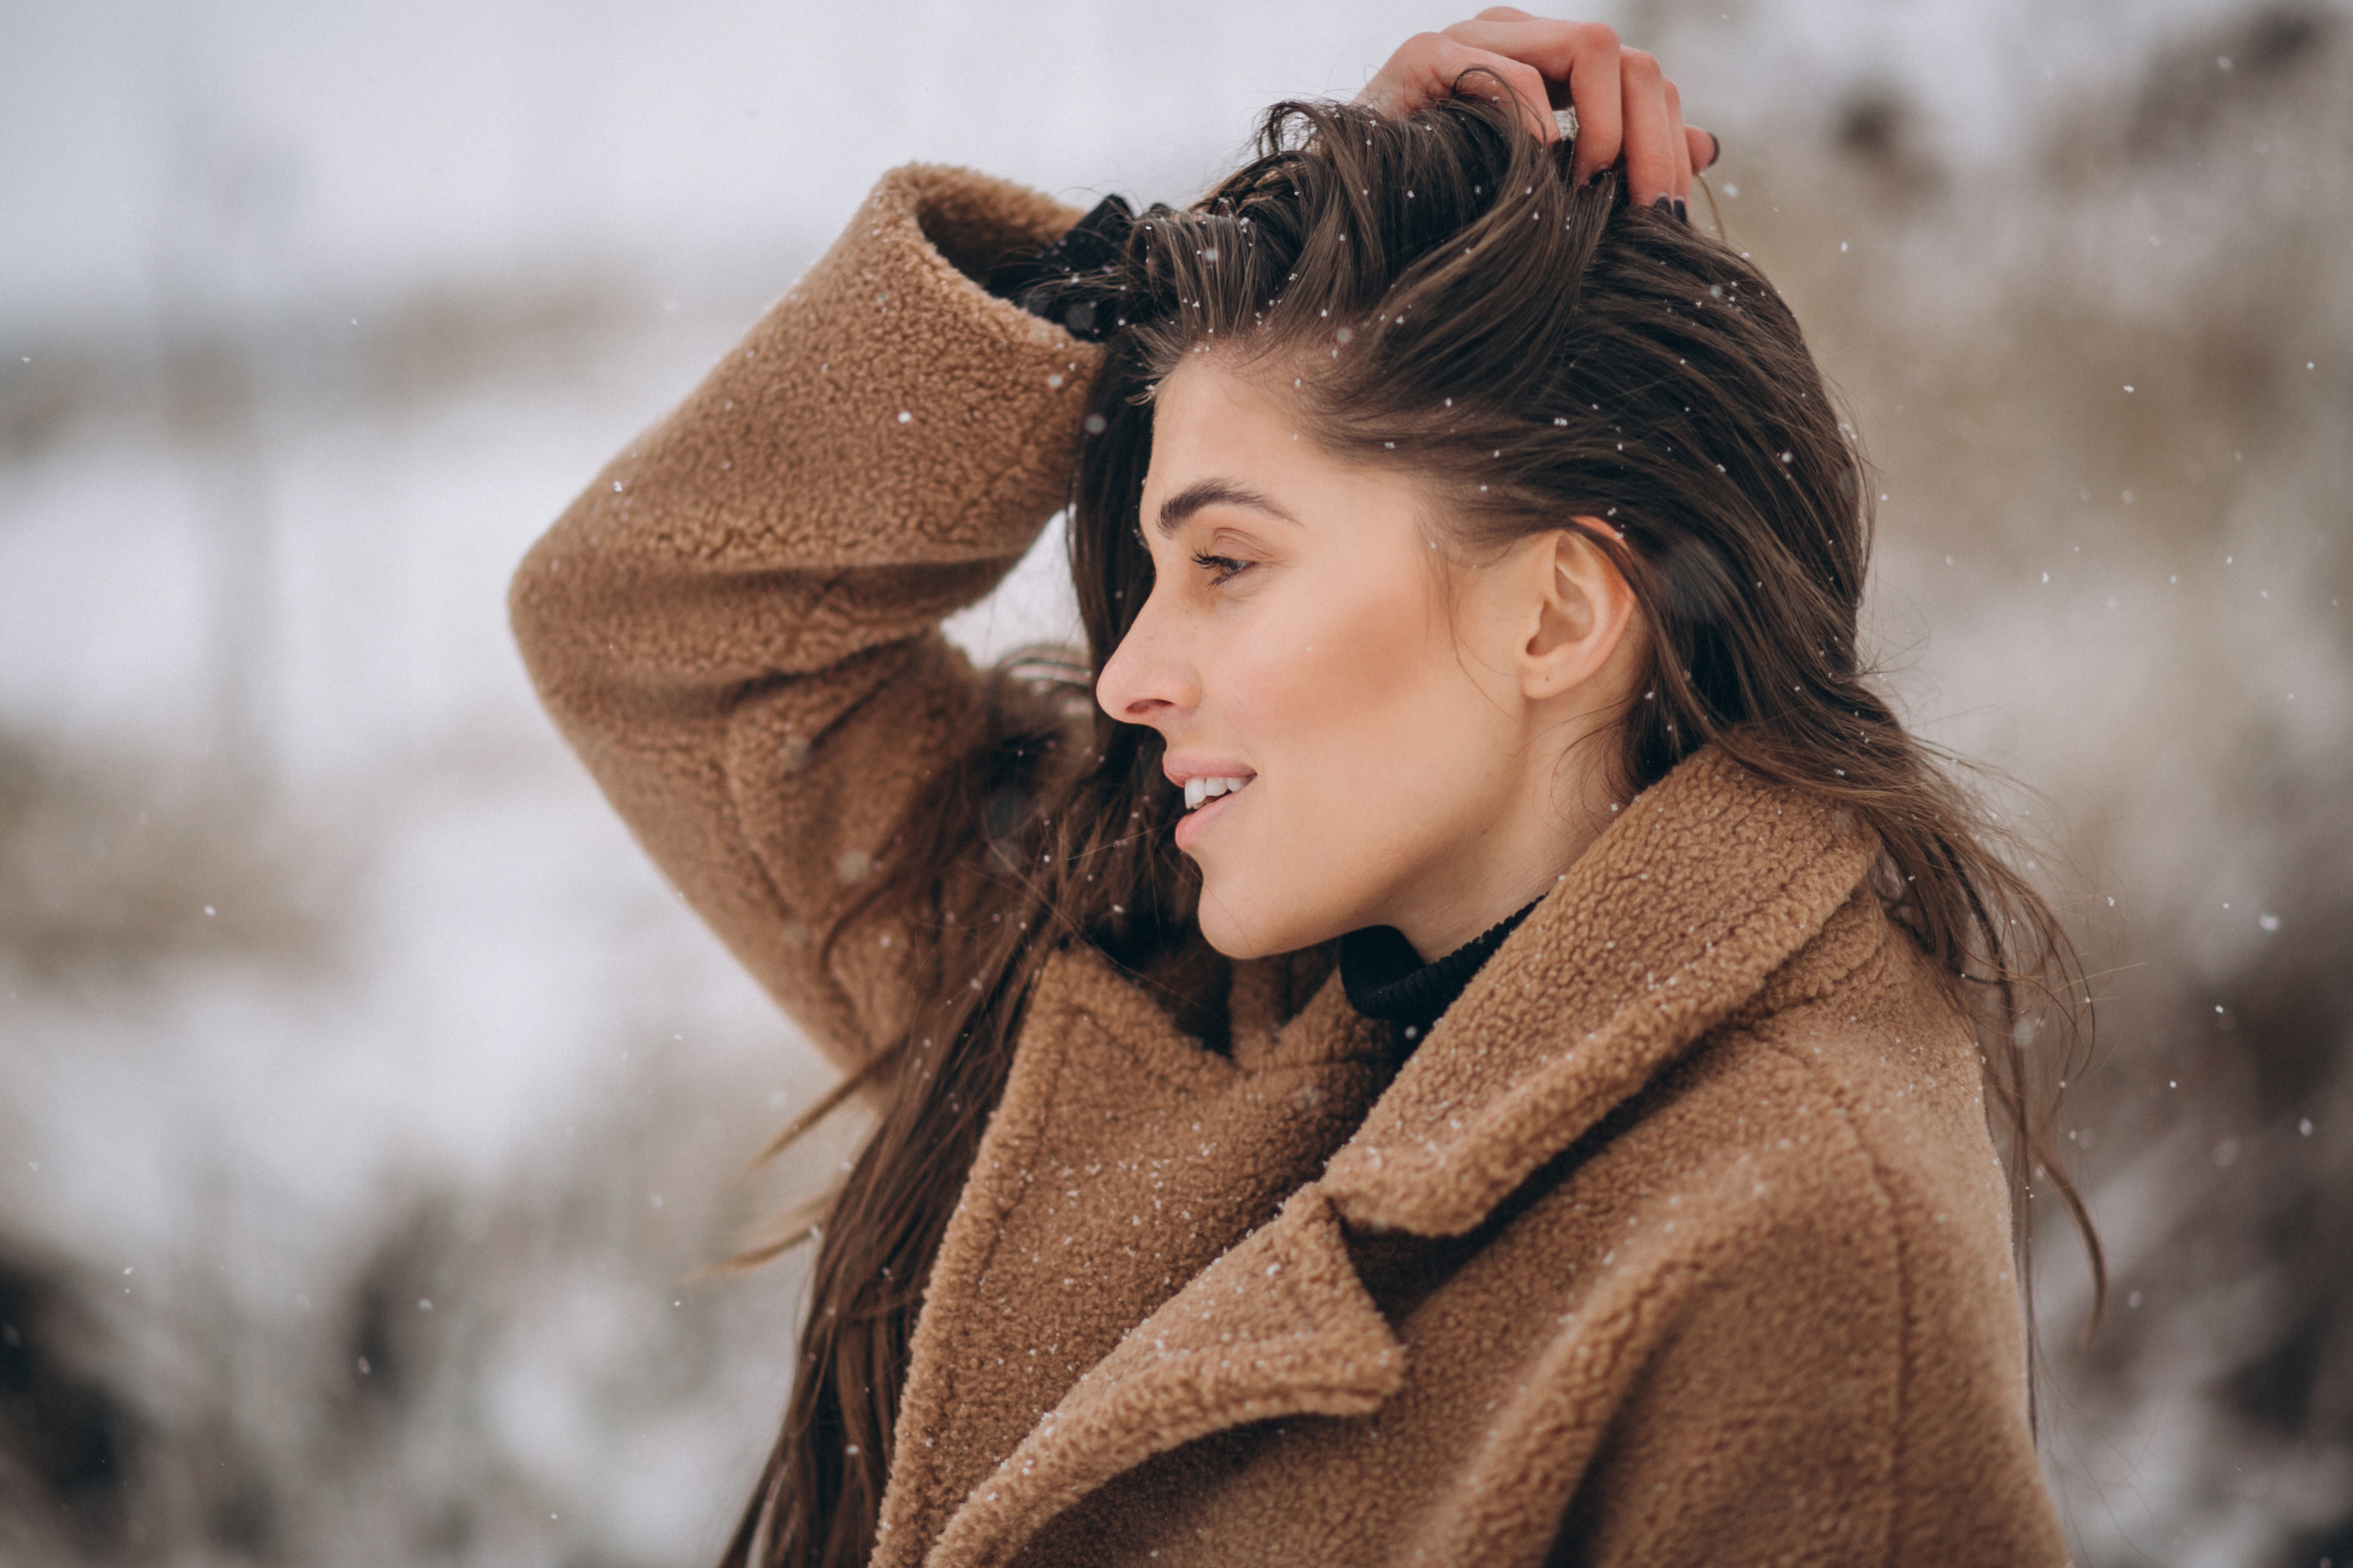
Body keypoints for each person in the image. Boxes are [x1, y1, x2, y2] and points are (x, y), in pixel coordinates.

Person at [510, 14, 2096, 1566]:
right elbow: (656, 622)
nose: (1129, 675)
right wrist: (1170, 276)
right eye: (1154, 566)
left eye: (1227, 561)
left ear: (1556, 614)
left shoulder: (1792, 1242)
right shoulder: (1140, 968)